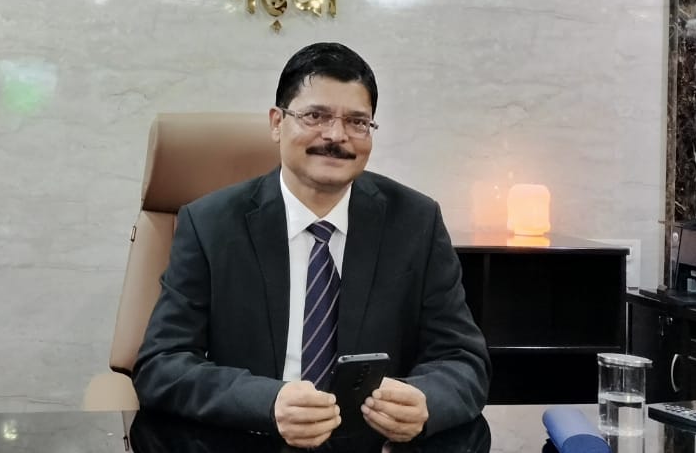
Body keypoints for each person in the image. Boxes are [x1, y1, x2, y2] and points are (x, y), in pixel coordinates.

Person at [133, 42, 491, 449]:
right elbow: (161, 365)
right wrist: (267, 402)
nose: (336, 136)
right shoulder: (210, 224)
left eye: (357, 122)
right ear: (276, 123)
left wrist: (426, 400)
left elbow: (464, 361)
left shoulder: (415, 222)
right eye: (315, 116)